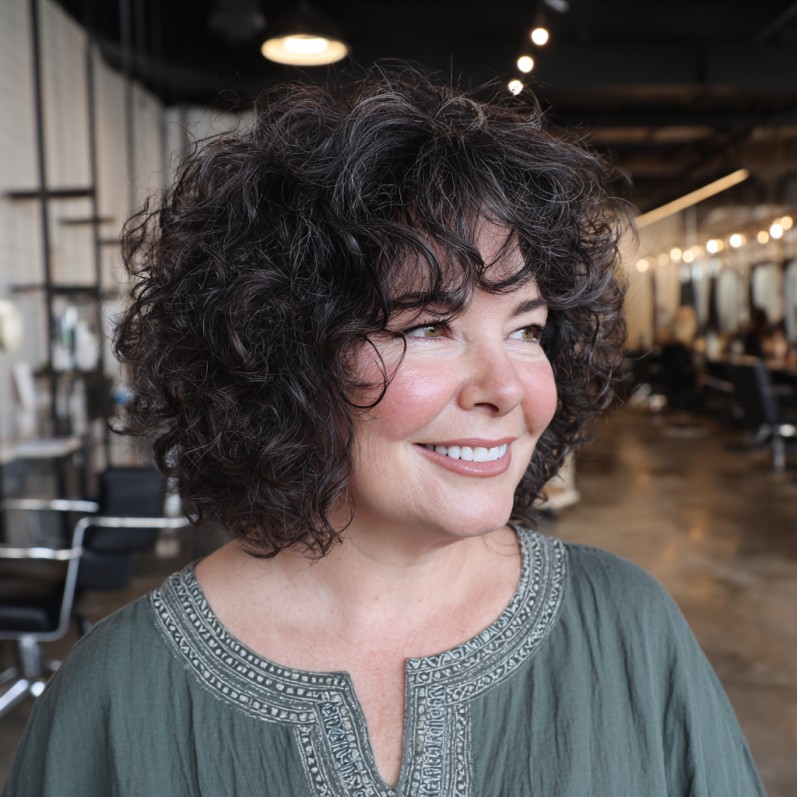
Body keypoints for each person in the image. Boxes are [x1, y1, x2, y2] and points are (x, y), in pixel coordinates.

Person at [3, 67, 765, 796]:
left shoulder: (628, 628)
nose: (506, 388)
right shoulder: (116, 693)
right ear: (280, 350)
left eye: (527, 330)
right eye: (432, 325)